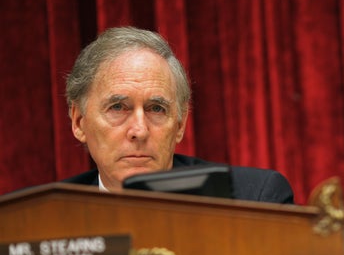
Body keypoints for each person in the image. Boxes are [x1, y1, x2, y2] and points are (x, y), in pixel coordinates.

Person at [62, 26, 293, 204]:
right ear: (79, 122)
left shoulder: (254, 199)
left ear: (180, 125)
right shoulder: (41, 216)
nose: (139, 131)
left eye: (156, 109)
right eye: (118, 107)